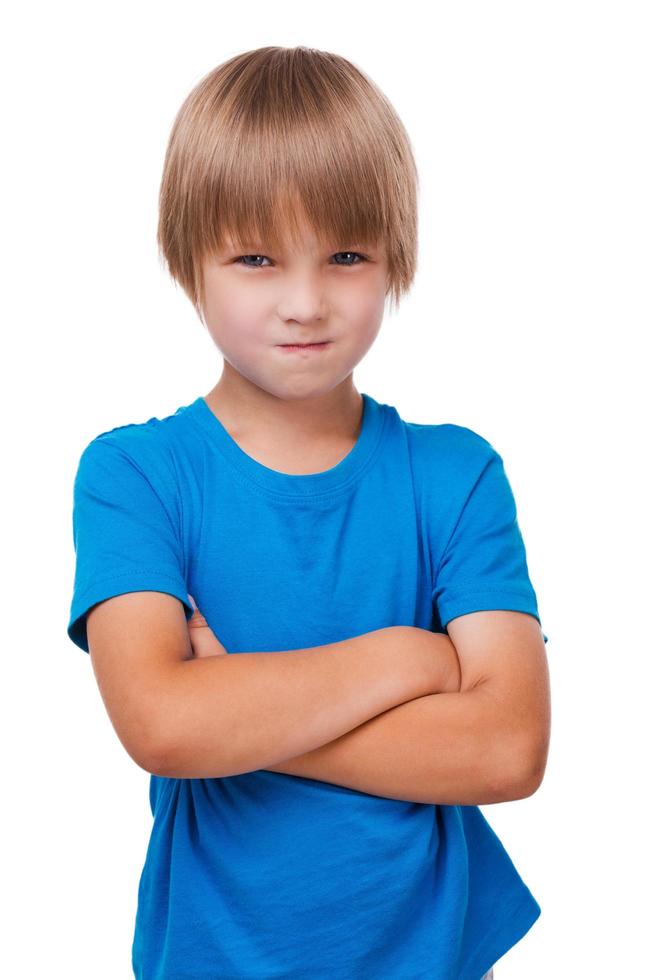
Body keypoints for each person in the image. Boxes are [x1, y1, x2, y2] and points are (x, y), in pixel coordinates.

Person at [67, 45, 550, 980]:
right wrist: (411, 659)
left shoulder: (455, 475)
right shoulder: (135, 474)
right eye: (255, 257)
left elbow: (507, 747)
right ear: (186, 260)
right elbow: (165, 728)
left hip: (435, 958)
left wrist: (239, 708)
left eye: (346, 255)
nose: (304, 302)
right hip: (216, 956)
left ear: (394, 256)